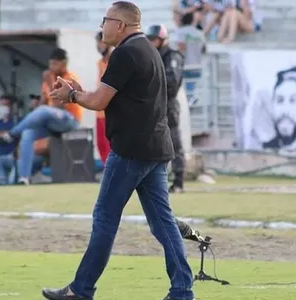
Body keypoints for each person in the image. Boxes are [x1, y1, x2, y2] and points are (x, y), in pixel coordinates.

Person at [43, 2, 194, 300]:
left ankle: (81, 289)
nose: (102, 27)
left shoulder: (124, 53)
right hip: (155, 148)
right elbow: (109, 98)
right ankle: (182, 290)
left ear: (121, 25)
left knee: (105, 218)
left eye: (106, 20)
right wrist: (78, 90)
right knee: (162, 223)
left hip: (131, 150)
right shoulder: (147, 49)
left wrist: (72, 95)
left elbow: (99, 102)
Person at [0, 48, 82, 185]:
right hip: (51, 121)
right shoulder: (47, 82)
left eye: (55, 64)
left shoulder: (70, 79)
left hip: (69, 119)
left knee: (44, 111)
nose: (51, 68)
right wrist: (35, 108)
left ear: (64, 63)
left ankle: (12, 133)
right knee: (28, 132)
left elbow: (58, 106)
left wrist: (50, 83)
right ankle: (24, 178)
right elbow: (43, 105)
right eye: (50, 64)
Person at [146, 24, 186, 193]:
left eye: (154, 39)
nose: (151, 42)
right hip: (153, 105)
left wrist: (151, 83)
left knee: (174, 142)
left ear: (162, 40)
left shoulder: (171, 56)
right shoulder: (151, 56)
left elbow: (172, 83)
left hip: (168, 105)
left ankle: (178, 180)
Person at [95, 31, 113, 165]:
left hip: (110, 110)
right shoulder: (100, 63)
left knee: (110, 145)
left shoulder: (114, 59)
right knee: (101, 143)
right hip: (99, 110)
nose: (99, 45)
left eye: (100, 42)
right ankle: (105, 171)